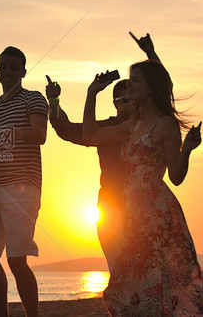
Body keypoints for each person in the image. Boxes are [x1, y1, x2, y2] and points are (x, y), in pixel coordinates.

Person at [82, 60, 203, 315]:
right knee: (127, 281)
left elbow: (176, 176)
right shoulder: (133, 124)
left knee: (153, 282)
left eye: (135, 80)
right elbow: (90, 136)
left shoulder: (165, 125)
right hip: (129, 212)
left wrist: (187, 150)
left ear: (151, 88)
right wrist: (91, 94)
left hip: (155, 214)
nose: (129, 85)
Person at [45, 32, 160, 269]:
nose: (125, 103)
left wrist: (151, 55)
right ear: (115, 103)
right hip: (110, 205)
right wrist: (55, 102)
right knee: (118, 269)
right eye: (120, 100)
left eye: (129, 99)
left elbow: (161, 92)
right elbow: (66, 130)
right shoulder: (104, 129)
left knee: (146, 268)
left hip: (144, 203)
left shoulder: (149, 126)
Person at [0, 47, 48, 317]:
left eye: (13, 68)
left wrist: (4, 135)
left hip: (23, 186)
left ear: (23, 72)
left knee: (17, 260)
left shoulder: (34, 99)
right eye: (2, 67)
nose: (6, 72)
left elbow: (39, 135)